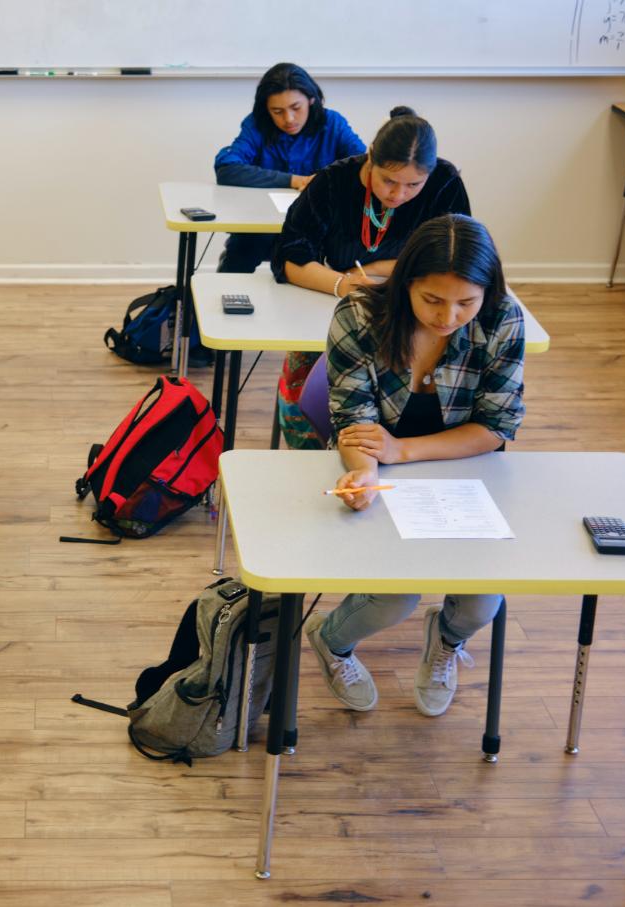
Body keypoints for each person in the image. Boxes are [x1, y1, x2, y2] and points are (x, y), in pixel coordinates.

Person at [306, 213, 524, 719]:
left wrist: (402, 450)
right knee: (392, 597)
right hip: (383, 468)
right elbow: (354, 417)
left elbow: (496, 426)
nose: (448, 316)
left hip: (464, 471)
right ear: (405, 284)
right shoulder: (360, 314)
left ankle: (446, 640)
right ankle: (331, 642)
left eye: (465, 303)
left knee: (479, 605)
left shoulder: (503, 318)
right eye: (432, 300)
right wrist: (366, 472)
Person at [270, 106, 471, 448]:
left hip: (419, 315)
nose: (398, 194)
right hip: (334, 307)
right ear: (370, 158)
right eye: (388, 180)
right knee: (306, 402)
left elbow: (455, 260)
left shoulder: (444, 184)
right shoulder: (333, 183)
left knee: (406, 408)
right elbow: (287, 258)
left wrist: (378, 269)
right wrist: (341, 284)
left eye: (413, 185)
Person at [213, 62, 366, 273]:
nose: (289, 119)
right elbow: (228, 169)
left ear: (312, 100)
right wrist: (295, 181)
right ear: (266, 109)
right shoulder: (257, 125)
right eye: (277, 111)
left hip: (316, 228)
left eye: (296, 108)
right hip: (259, 226)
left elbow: (364, 167)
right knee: (238, 258)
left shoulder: (333, 124)